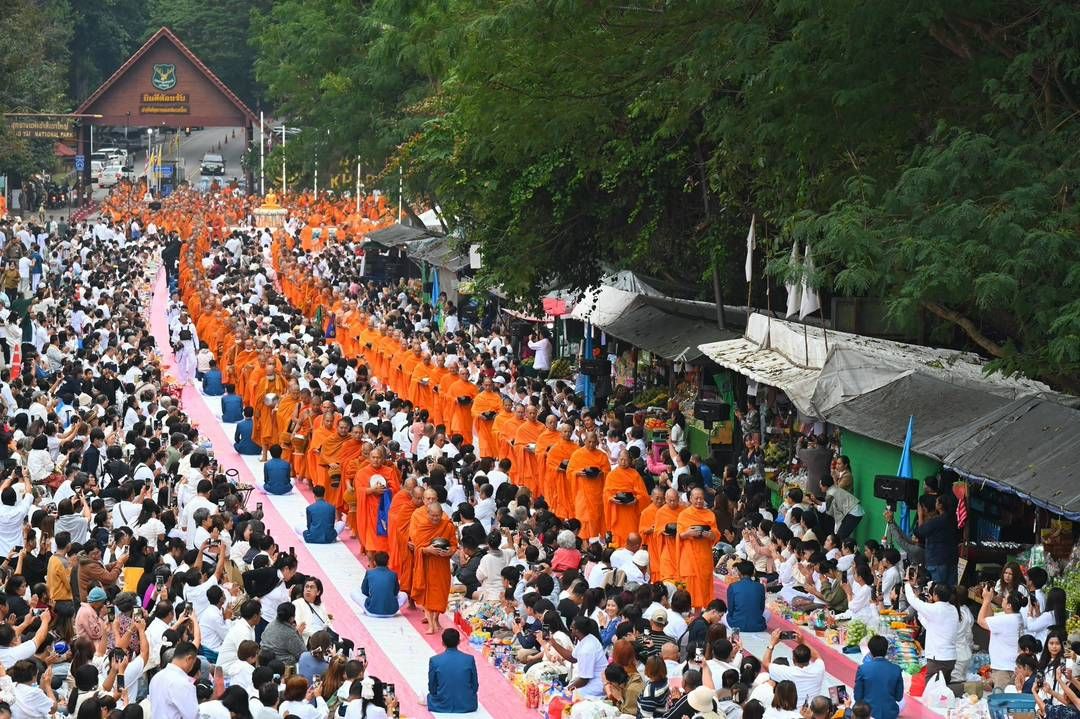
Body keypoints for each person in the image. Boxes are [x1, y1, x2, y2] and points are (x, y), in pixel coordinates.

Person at [905, 574, 960, 683]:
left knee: (931, 690)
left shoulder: (935, 609)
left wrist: (907, 584)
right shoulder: (953, 609)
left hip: (938, 659)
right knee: (943, 690)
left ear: (935, 595)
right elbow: (931, 626)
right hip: (950, 658)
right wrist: (921, 612)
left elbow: (913, 601)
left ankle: (964, 689)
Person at [677, 488, 719, 609]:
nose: (699, 501)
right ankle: (687, 611)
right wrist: (687, 534)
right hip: (689, 556)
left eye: (701, 498)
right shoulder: (684, 515)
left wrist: (712, 535)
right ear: (690, 499)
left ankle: (700, 612)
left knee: (704, 586)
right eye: (696, 498)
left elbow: (715, 533)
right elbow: (679, 535)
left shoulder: (709, 514)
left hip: (704, 556)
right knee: (689, 587)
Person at [763, 629, 826, 708]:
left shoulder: (789, 672)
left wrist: (772, 643)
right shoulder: (818, 669)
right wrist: (802, 641)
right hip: (812, 712)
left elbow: (765, 663)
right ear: (809, 658)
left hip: (794, 713)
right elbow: (817, 657)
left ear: (793, 659)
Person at [979, 584, 1025, 690]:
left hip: (1004, 669)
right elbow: (989, 618)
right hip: (1009, 666)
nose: (1002, 600)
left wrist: (986, 600)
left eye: (1004, 598)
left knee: (1000, 700)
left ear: (1009, 605)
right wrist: (989, 601)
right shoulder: (1016, 616)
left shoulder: (1006, 620)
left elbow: (981, 621)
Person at [425, 628, 478, 713]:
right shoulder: (469, 659)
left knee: (426, 697)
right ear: (459, 641)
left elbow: (432, 687)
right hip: (467, 705)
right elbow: (475, 685)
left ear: (443, 643)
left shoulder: (434, 660)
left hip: (441, 705)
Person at [854, 635, 904, 719]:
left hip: (868, 714)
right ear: (886, 649)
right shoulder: (896, 669)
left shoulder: (863, 669)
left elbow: (858, 697)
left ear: (870, 651)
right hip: (890, 713)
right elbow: (899, 697)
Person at [148, 641, 199, 719]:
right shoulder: (183, 683)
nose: (192, 667)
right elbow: (193, 716)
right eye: (193, 663)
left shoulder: (156, 677)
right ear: (189, 659)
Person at [355, 551, 407, 617]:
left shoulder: (369, 572)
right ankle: (388, 606)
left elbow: (364, 591)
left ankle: (370, 607)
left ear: (374, 562)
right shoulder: (393, 574)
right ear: (388, 562)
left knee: (354, 592)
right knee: (404, 595)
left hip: (371, 611)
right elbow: (395, 592)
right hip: (391, 612)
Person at [726, 560, 767, 632]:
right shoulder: (760, 587)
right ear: (753, 573)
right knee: (768, 613)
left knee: (724, 614)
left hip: (736, 624)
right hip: (757, 625)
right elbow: (761, 608)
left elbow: (730, 609)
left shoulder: (733, 586)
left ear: (739, 572)